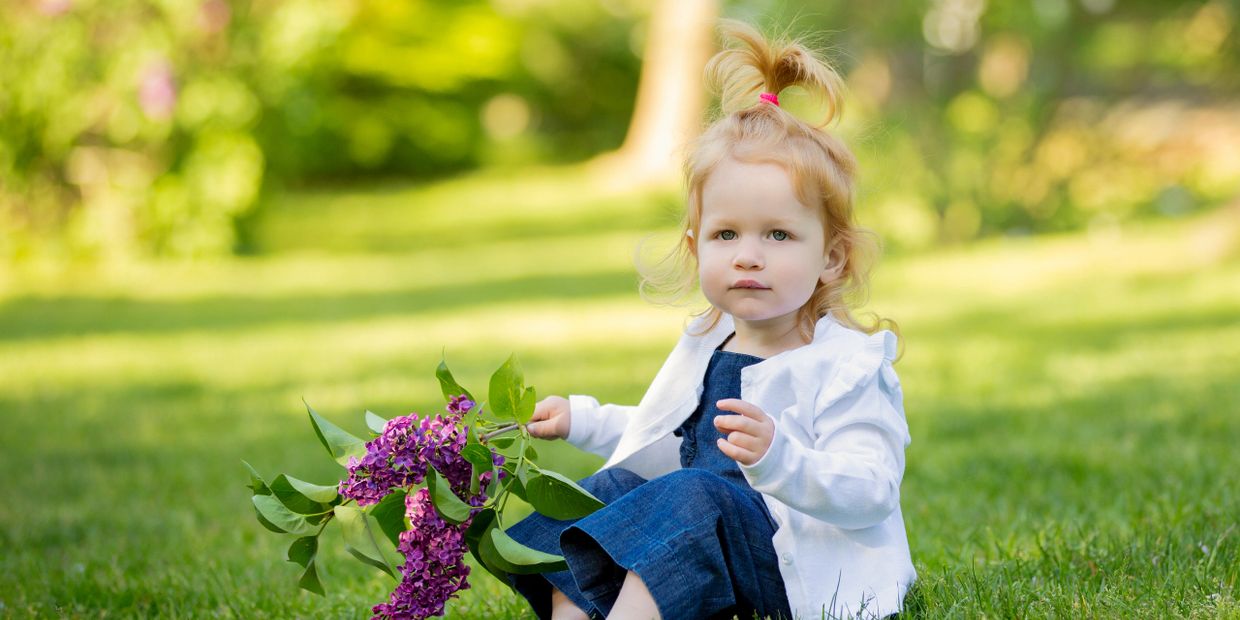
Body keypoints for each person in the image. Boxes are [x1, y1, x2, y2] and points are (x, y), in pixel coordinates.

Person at [504, 18, 915, 620]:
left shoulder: (846, 365)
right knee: (609, 494)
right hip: (706, 543)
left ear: (831, 257)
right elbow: (666, 437)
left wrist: (780, 457)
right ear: (698, 249)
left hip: (798, 568)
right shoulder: (709, 340)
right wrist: (582, 420)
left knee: (692, 496)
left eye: (778, 233)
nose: (749, 253)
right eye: (727, 234)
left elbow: (870, 489)